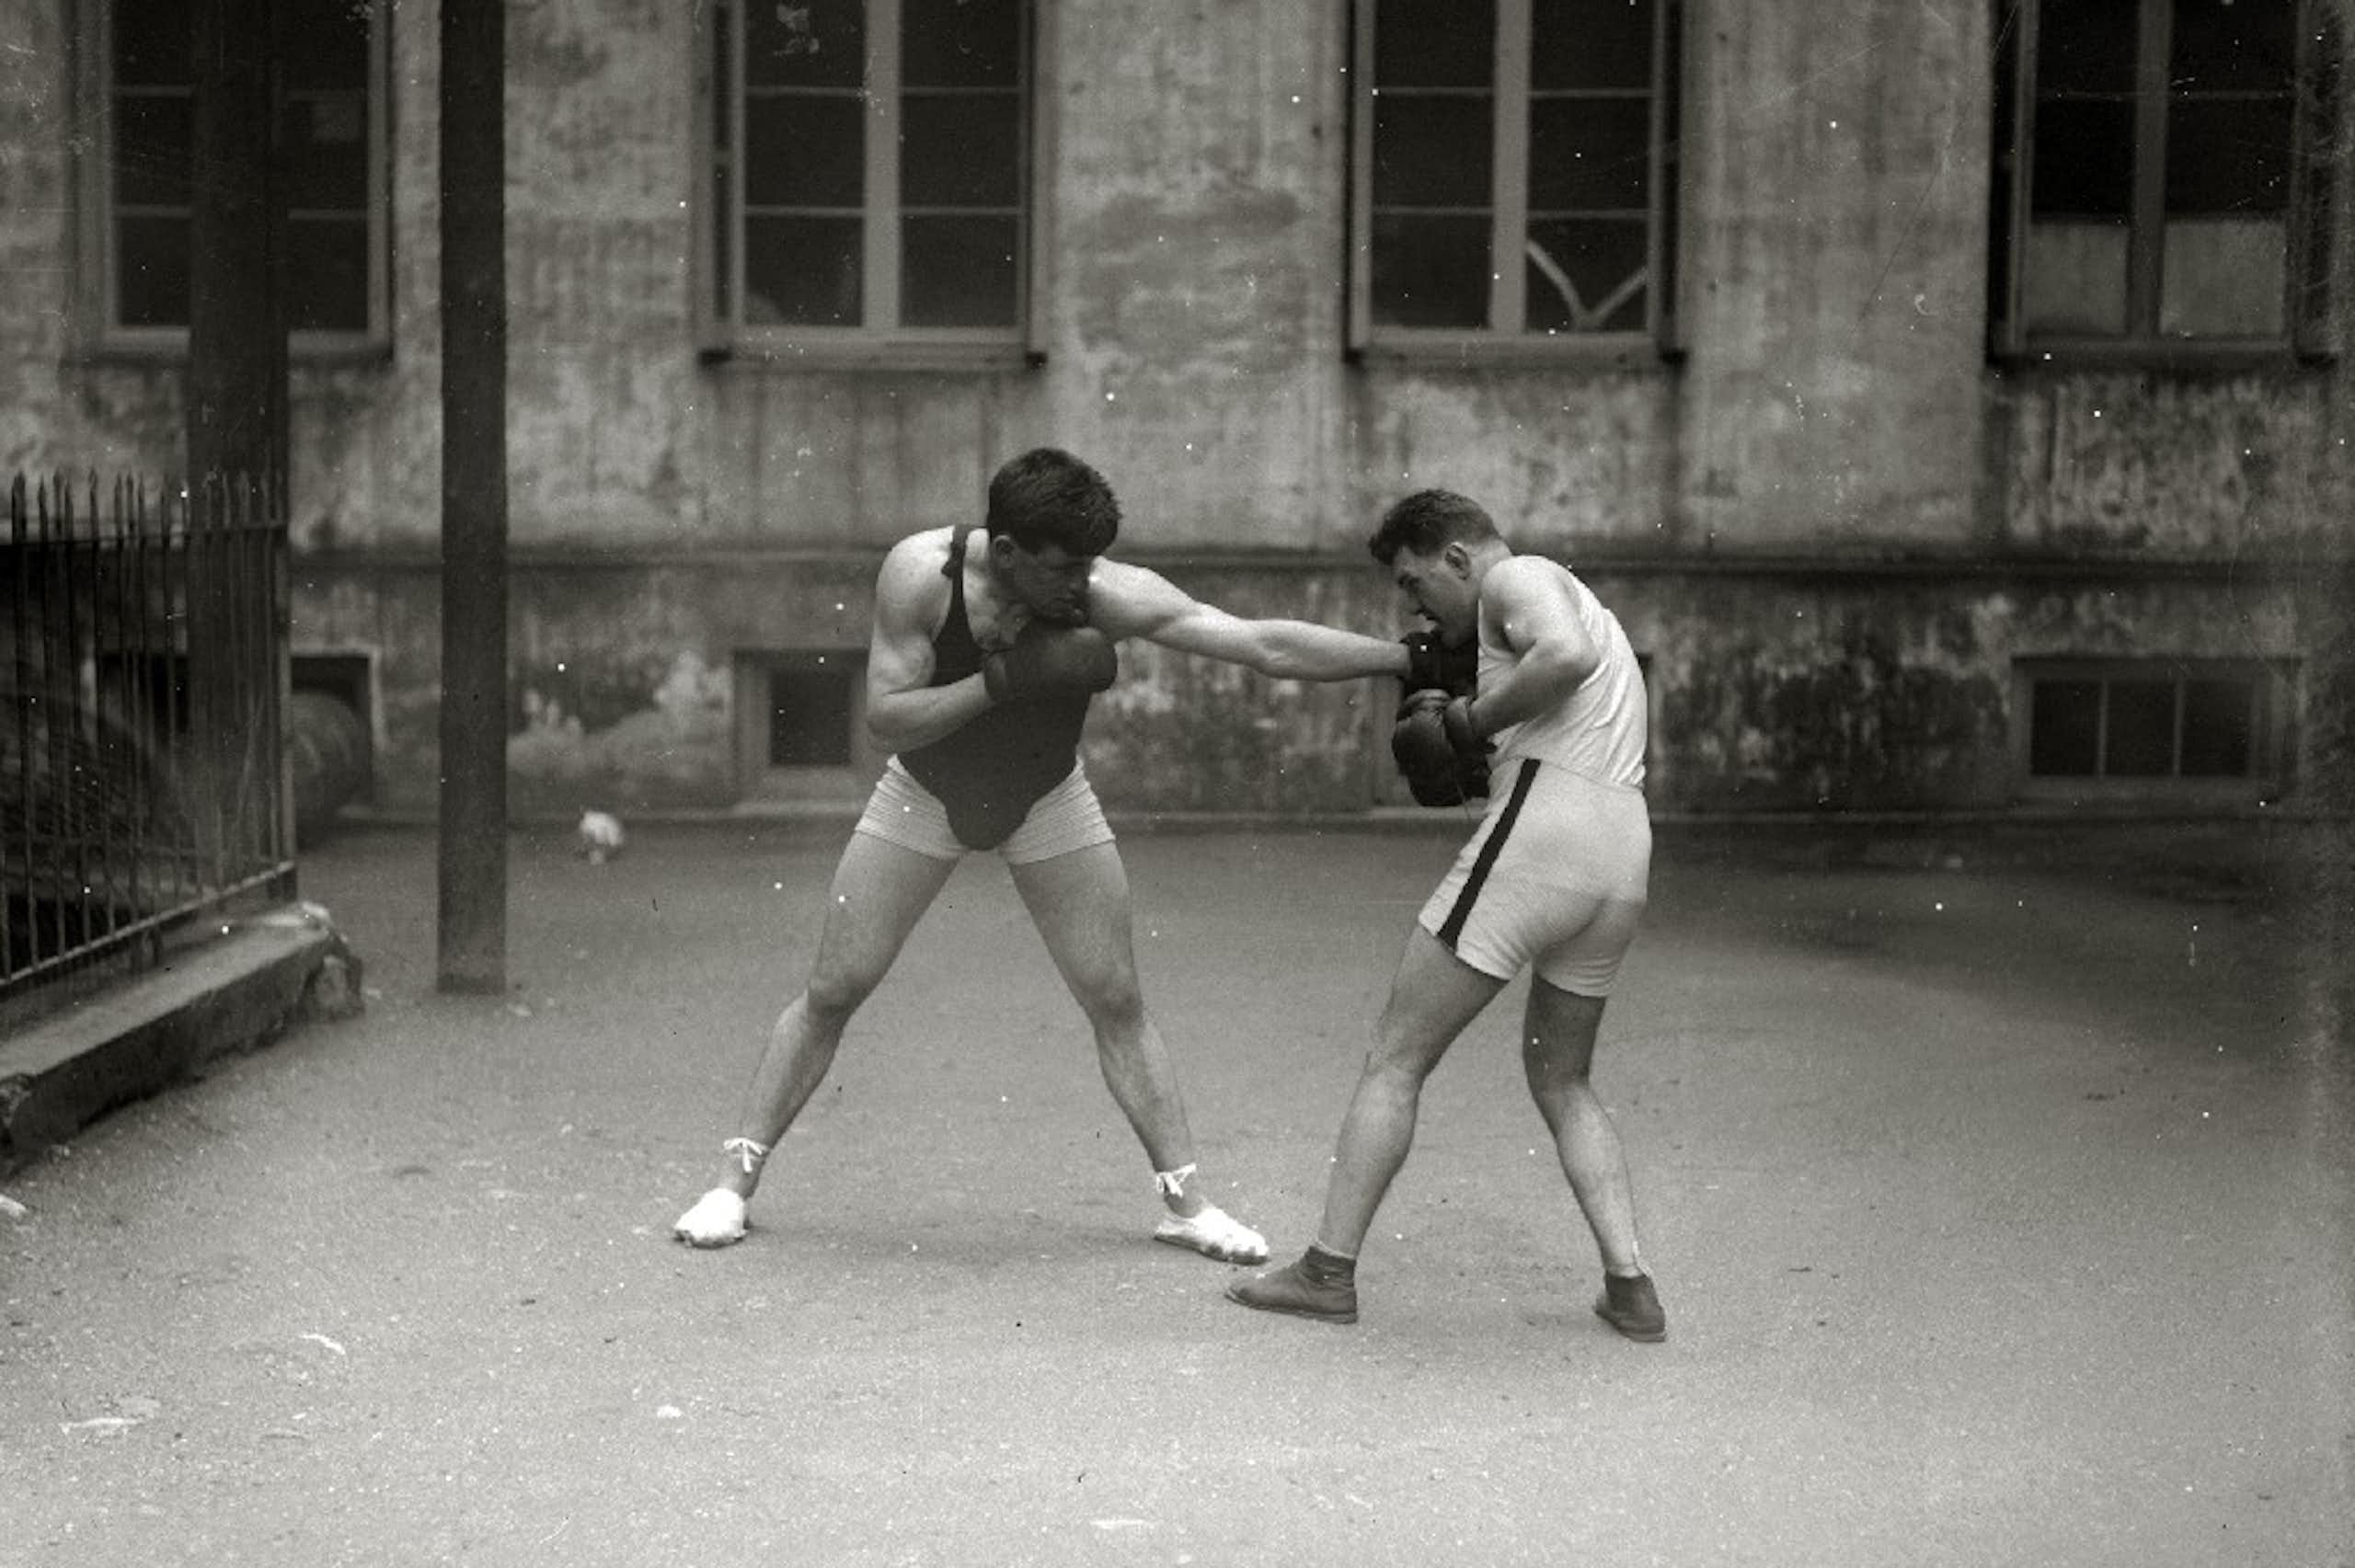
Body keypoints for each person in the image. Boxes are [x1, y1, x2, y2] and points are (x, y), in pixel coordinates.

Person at [675, 447, 1415, 1265]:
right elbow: (885, 717)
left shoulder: (1103, 594)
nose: (1079, 585)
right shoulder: (921, 576)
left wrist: (1402, 659)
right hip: (924, 793)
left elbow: (1258, 643)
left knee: (1116, 996)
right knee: (833, 988)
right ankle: (729, 1185)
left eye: (1089, 565)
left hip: (1047, 796)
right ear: (1005, 552)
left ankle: (1187, 1205)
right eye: (1063, 567)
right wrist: (1002, 681)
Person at [1224, 488, 1666, 1339]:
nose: (1413, 603)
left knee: (1396, 1054)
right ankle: (1631, 1284)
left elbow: (1562, 658)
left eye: (1415, 581)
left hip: (1548, 837)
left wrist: (1468, 722)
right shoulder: (1578, 600)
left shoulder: (1519, 579)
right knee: (1563, 1076)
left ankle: (1325, 1272)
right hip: (1623, 854)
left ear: (1459, 558)